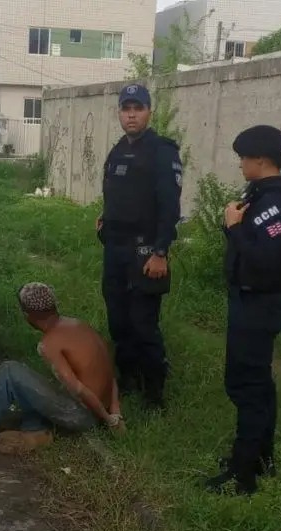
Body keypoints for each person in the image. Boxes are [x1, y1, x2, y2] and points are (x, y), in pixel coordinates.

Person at [205, 125, 281, 496]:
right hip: (251, 300)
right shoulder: (262, 193)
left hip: (259, 303)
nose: (241, 164)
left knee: (246, 384)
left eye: (244, 158)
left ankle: (242, 475)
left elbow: (263, 256)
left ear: (260, 160)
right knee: (258, 383)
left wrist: (233, 229)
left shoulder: (277, 202)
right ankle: (260, 459)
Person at [0, 282, 125, 452]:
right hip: (98, 409)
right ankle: (35, 429)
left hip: (83, 415)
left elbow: (78, 389)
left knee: (10, 371)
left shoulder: (50, 344)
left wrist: (109, 420)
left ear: (27, 315)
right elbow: (110, 375)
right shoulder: (80, 326)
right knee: (30, 379)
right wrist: (114, 411)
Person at [96, 83, 183, 410]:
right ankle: (127, 379)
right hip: (115, 251)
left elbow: (169, 206)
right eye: (126, 109)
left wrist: (161, 252)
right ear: (119, 112)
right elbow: (117, 194)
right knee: (118, 320)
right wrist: (105, 218)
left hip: (147, 251)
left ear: (149, 111)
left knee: (144, 323)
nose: (131, 115)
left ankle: (155, 394)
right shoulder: (118, 149)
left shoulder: (162, 151)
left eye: (138, 108)